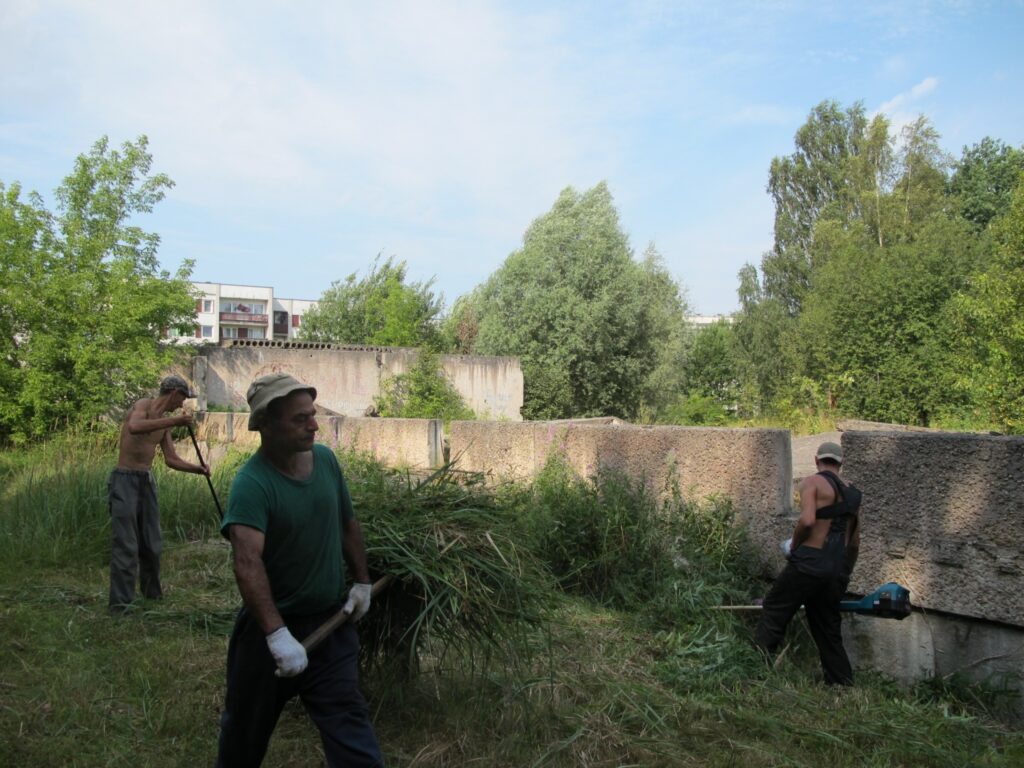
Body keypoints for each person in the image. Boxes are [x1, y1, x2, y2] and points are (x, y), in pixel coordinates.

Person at [216, 373, 383, 768]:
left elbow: (347, 523)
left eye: (312, 415)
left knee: (350, 727)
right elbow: (247, 563)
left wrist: (362, 582)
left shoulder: (325, 461)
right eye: (300, 419)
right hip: (268, 634)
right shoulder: (252, 485)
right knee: (243, 736)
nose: (313, 425)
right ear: (266, 425)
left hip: (330, 625)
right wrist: (277, 636)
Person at [755, 441, 861, 685]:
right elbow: (854, 542)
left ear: (816, 460)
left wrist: (794, 546)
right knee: (828, 629)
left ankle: (757, 671)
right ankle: (842, 684)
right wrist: (844, 573)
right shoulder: (854, 494)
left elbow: (808, 520)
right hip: (837, 568)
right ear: (841, 463)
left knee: (775, 609)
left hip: (809, 562)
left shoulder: (811, 483)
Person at [109, 374, 209, 613]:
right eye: (183, 398)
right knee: (126, 544)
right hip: (124, 479)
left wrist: (198, 469)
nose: (182, 403)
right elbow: (134, 427)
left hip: (146, 481)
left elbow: (171, 459)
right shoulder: (143, 406)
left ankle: (152, 597)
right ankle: (120, 605)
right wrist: (174, 421)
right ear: (174, 393)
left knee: (152, 543)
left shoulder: (164, 425)